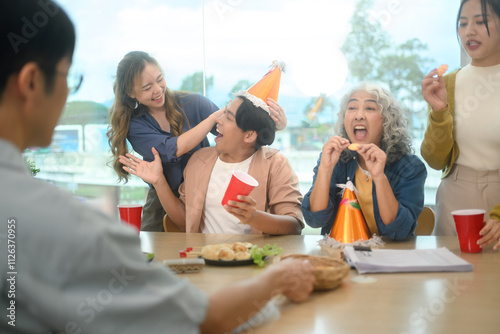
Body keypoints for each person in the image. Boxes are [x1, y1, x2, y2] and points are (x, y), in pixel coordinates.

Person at [0, 1, 315, 333]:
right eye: (70, 77)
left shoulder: (203, 113)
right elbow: (197, 318)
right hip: (173, 207)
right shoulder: (62, 223)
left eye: (159, 80)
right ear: (31, 82)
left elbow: (243, 130)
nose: (156, 89)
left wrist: (269, 127)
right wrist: (276, 280)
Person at [107, 52, 287, 232]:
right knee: (152, 248)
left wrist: (275, 126)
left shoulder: (193, 103)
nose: (158, 89)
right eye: (147, 88)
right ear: (131, 93)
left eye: (160, 79)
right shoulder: (136, 125)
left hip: (204, 189)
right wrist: (210, 119)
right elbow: (170, 150)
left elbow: (237, 132)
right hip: (163, 194)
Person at [120, 95, 304, 235]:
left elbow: (293, 225)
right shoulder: (199, 160)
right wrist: (159, 181)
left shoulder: (275, 163)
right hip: (204, 260)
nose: (217, 120)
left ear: (249, 136)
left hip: (252, 262)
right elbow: (186, 222)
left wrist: (254, 217)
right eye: (223, 114)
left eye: (228, 118)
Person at [301, 82, 427, 240]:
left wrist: (379, 177)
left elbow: (398, 232)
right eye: (352, 108)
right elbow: (315, 219)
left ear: (387, 121)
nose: (358, 115)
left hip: (390, 256)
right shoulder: (335, 159)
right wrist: (325, 169)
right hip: (341, 254)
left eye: (370, 108)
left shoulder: (410, 167)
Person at [421, 0, 500, 243]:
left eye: (480, 21)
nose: (469, 31)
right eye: (462, 24)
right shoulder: (448, 83)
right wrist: (439, 112)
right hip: (455, 197)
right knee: (453, 278)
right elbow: (435, 160)